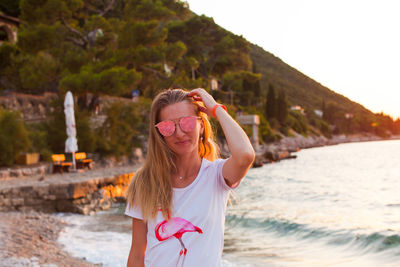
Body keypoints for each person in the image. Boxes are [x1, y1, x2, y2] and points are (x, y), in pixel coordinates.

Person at [125, 88, 255, 267]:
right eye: (168, 127)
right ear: (160, 134)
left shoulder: (216, 175)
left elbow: (245, 155)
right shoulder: (145, 182)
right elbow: (138, 254)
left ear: (201, 126)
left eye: (187, 123)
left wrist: (216, 108)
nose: (179, 133)